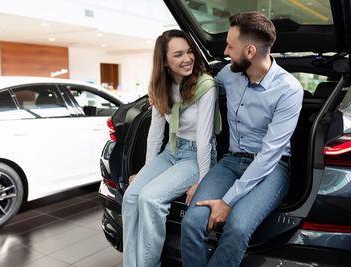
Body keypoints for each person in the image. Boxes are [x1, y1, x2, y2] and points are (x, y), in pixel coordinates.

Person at [181, 12, 303, 267]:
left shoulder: (289, 89)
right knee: (192, 222)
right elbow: (203, 89)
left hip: (271, 168)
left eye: (230, 46)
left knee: (236, 228)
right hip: (231, 162)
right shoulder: (229, 73)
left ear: (249, 51)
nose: (225, 52)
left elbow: (269, 156)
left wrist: (227, 201)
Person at [122, 29, 220, 267]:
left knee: (150, 199)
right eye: (178, 54)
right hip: (171, 151)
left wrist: (204, 182)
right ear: (164, 61)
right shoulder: (160, 87)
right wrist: (145, 173)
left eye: (189, 52)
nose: (187, 59)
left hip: (196, 155)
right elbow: (155, 135)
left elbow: (205, 139)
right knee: (131, 196)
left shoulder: (206, 85)